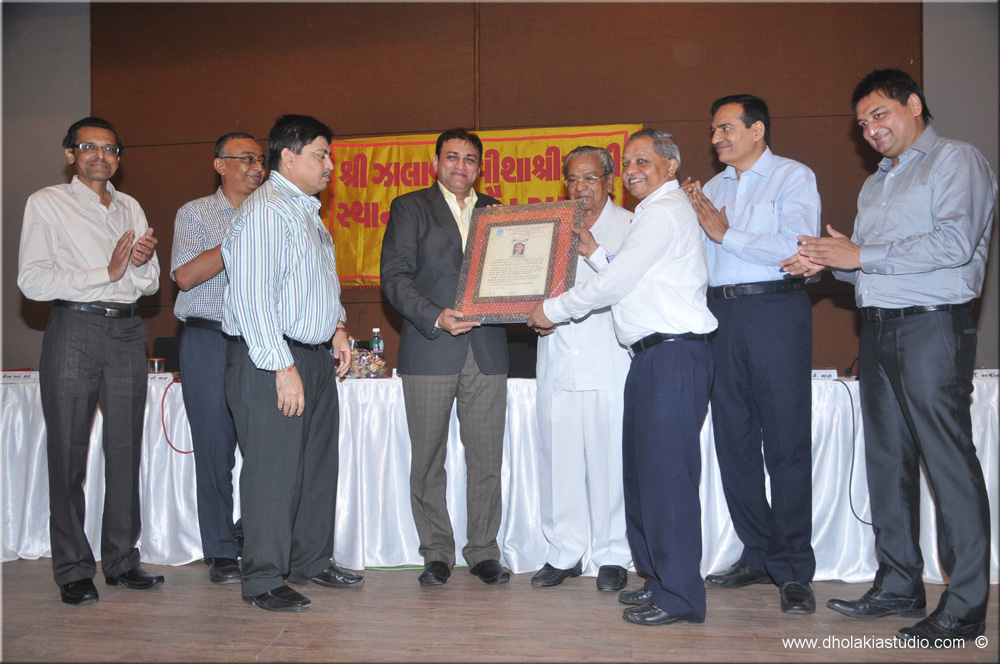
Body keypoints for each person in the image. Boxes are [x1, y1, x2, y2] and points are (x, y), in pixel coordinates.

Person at [783, 68, 996, 646]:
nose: (870, 130)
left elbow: (955, 242)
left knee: (947, 462)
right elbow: (871, 267)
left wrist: (859, 254)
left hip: (933, 327)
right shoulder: (874, 184)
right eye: (861, 123)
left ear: (914, 105)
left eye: (879, 114)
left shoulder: (956, 160)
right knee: (888, 462)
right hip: (878, 329)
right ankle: (899, 582)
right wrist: (829, 262)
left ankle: (965, 607)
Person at [528, 129, 717, 625]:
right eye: (629, 161)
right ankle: (658, 580)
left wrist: (552, 309)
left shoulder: (664, 211)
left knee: (668, 482)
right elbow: (630, 278)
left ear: (671, 166)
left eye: (643, 161)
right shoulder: (655, 212)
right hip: (652, 357)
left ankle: (680, 596)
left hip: (672, 355)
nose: (633, 170)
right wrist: (594, 252)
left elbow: (614, 284)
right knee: (645, 478)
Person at [682, 94, 820, 614]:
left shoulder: (792, 177)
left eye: (726, 128)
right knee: (733, 441)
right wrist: (690, 216)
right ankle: (757, 552)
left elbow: (796, 246)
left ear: (757, 130)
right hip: (720, 315)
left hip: (774, 310)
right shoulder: (711, 190)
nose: (716, 138)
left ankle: (793, 567)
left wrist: (726, 233)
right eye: (713, 130)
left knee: (785, 440)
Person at [18, 116, 163, 605]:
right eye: (89, 147)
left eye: (110, 149)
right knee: (68, 452)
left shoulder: (131, 206)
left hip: (127, 330)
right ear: (70, 154)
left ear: (118, 158)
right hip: (74, 328)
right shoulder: (47, 203)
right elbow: (32, 280)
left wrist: (139, 264)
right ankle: (74, 568)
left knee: (125, 449)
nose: (101, 156)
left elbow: (149, 283)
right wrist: (107, 270)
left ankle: (122, 561)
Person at [221, 114, 362, 612]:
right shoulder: (266, 211)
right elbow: (254, 297)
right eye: (321, 154)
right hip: (272, 356)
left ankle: (310, 561)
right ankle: (262, 578)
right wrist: (281, 367)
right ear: (288, 156)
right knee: (273, 470)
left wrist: (338, 327)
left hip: (313, 355)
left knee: (316, 467)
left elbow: (319, 283)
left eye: (329, 155)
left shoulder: (306, 211)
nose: (330, 164)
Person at [380, 128, 510, 587]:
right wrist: (435, 316)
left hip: (487, 351)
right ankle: (436, 552)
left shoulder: (498, 211)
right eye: (452, 157)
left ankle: (483, 551)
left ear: (479, 167)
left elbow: (514, 275)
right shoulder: (410, 207)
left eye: (470, 159)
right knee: (428, 459)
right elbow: (394, 277)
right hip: (430, 346)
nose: (461, 166)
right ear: (436, 162)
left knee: (486, 459)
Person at [530, 146, 632, 591]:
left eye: (590, 178)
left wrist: (594, 253)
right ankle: (564, 552)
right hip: (556, 357)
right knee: (559, 460)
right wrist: (526, 310)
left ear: (609, 181)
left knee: (611, 461)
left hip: (608, 358)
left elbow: (628, 289)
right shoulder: (550, 227)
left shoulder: (632, 226)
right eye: (572, 179)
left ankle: (613, 554)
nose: (580, 188)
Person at [171, 132, 267, 585]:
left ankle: (253, 535)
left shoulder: (273, 213)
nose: (257, 167)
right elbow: (186, 276)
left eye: (261, 160)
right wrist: (241, 232)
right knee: (214, 451)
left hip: (259, 341)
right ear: (220, 164)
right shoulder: (195, 213)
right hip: (207, 339)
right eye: (246, 159)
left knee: (265, 448)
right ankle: (221, 550)